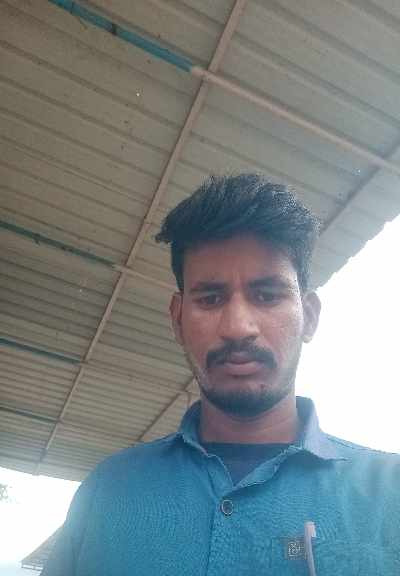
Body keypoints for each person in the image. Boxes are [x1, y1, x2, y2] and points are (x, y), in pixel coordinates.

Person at [42, 174, 400, 575]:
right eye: (210, 298)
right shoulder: (107, 492)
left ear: (310, 317)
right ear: (178, 320)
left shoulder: (391, 495)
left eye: (267, 295)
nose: (237, 327)